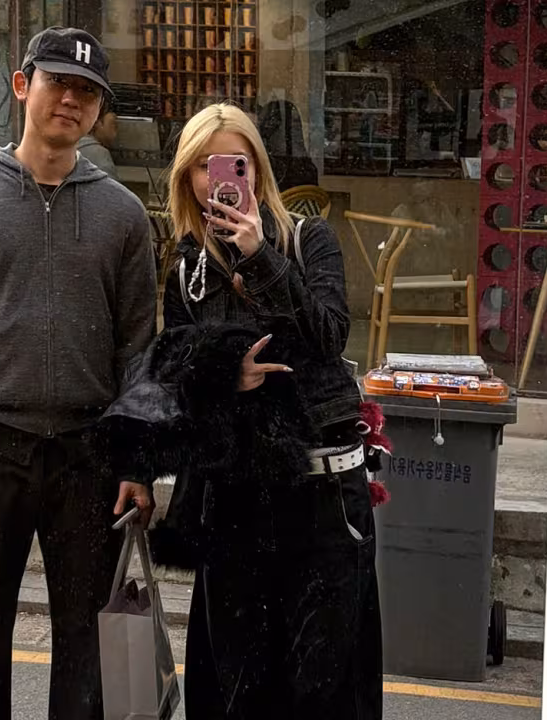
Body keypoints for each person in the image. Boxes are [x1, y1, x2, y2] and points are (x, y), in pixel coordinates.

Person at [0, 26, 158, 720]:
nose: (71, 100)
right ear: (23, 86)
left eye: (87, 92)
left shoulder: (123, 215)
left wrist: (137, 461)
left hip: (89, 457)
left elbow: (139, 349)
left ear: (98, 109)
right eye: (58, 83)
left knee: (89, 656)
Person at [148, 102, 382, 718]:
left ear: (257, 170)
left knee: (326, 685)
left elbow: (328, 336)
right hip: (236, 496)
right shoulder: (187, 268)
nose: (219, 179)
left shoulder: (309, 240)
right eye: (204, 165)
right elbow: (174, 373)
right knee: (238, 685)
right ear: (187, 177)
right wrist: (226, 372)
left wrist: (260, 257)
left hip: (323, 492)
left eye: (235, 163)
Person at [76, 108, 118, 178]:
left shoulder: (71, 145)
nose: (115, 133)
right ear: (98, 124)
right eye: (114, 126)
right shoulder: (99, 153)